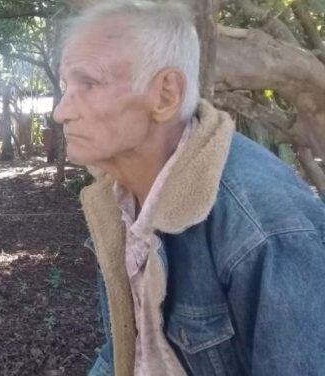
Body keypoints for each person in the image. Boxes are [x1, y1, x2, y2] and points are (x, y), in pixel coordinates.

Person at [51, 1, 325, 375]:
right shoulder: (118, 195)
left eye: (89, 83)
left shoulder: (264, 226)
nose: (61, 112)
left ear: (165, 95)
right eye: (68, 86)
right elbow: (130, 350)